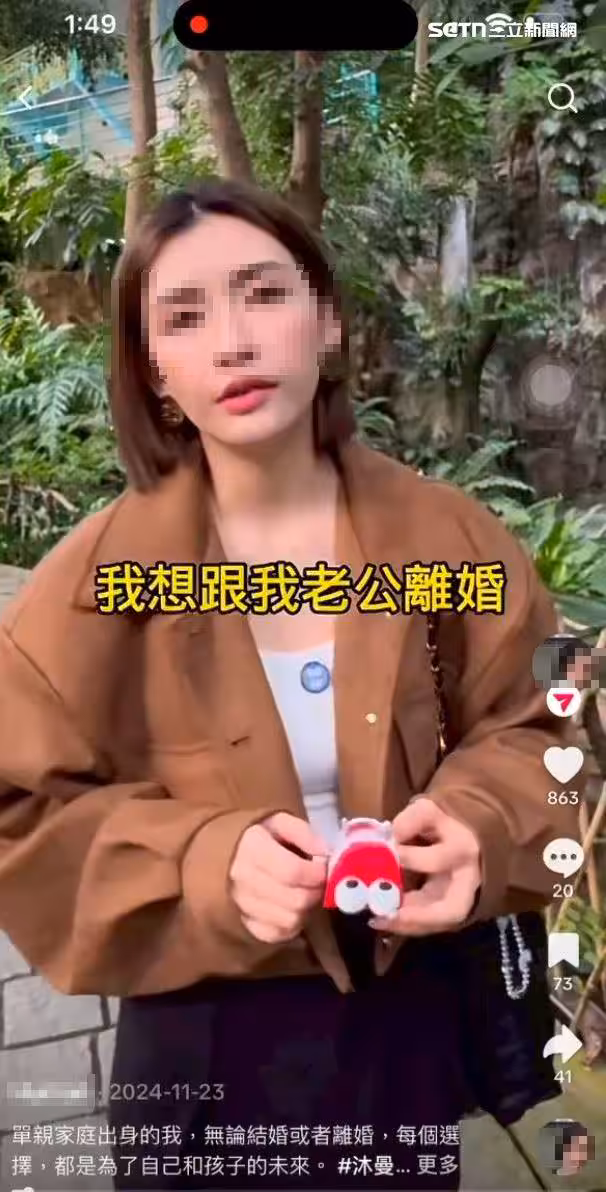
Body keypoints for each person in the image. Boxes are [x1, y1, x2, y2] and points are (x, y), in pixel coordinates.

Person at [0, 179, 581, 1192]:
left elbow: (540, 722)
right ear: (153, 367)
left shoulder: (446, 537)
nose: (233, 341)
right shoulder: (89, 587)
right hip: (202, 1032)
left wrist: (479, 823)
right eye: (185, 315)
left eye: (264, 294)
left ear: (327, 322)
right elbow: (25, 811)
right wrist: (204, 859)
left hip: (406, 1009)